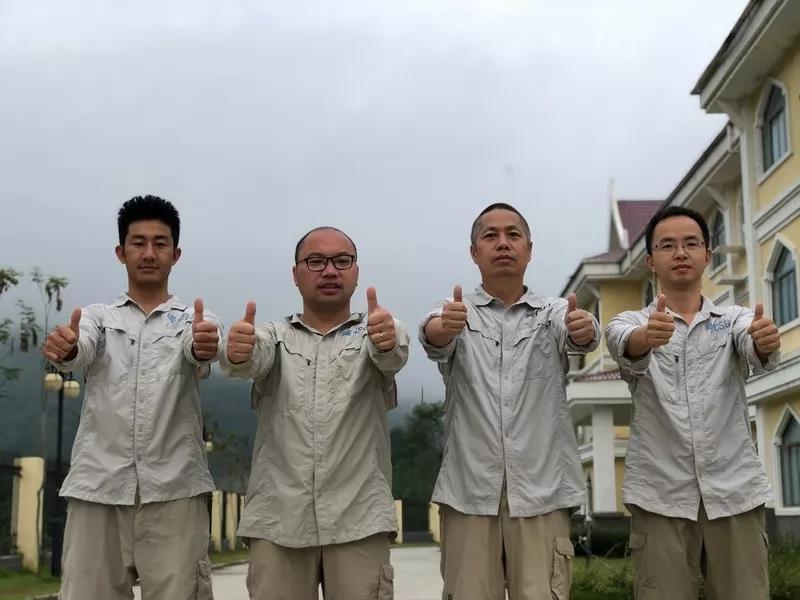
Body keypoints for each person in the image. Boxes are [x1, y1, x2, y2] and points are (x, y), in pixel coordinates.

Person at [43, 195, 221, 600]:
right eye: (138, 243)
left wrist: (205, 345)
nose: (149, 253)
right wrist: (67, 348)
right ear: (121, 252)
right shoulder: (98, 318)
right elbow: (79, 347)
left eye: (160, 243)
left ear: (176, 254)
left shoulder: (196, 320)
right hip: (98, 489)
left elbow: (201, 348)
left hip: (176, 491)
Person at [419, 202, 599, 600]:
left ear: (529, 250)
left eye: (513, 235)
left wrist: (583, 328)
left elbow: (580, 334)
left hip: (542, 495)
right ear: (474, 252)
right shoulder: (454, 310)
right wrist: (443, 327)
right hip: (468, 495)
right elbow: (432, 335)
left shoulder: (553, 312)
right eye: (491, 236)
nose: (503, 243)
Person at [221, 226, 408, 600]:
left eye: (342, 261)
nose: (330, 271)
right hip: (277, 520)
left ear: (356, 271)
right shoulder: (274, 336)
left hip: (359, 520)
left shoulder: (377, 331)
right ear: (296, 274)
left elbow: (392, 353)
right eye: (316, 261)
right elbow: (249, 359)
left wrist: (387, 340)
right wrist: (238, 351)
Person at [605, 205, 780, 600]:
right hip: (659, 497)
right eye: (667, 245)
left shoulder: (733, 318)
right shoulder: (629, 322)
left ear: (707, 255)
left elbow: (752, 343)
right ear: (651, 261)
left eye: (691, 243)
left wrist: (763, 341)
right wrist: (647, 337)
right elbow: (624, 344)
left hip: (735, 494)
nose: (680, 253)